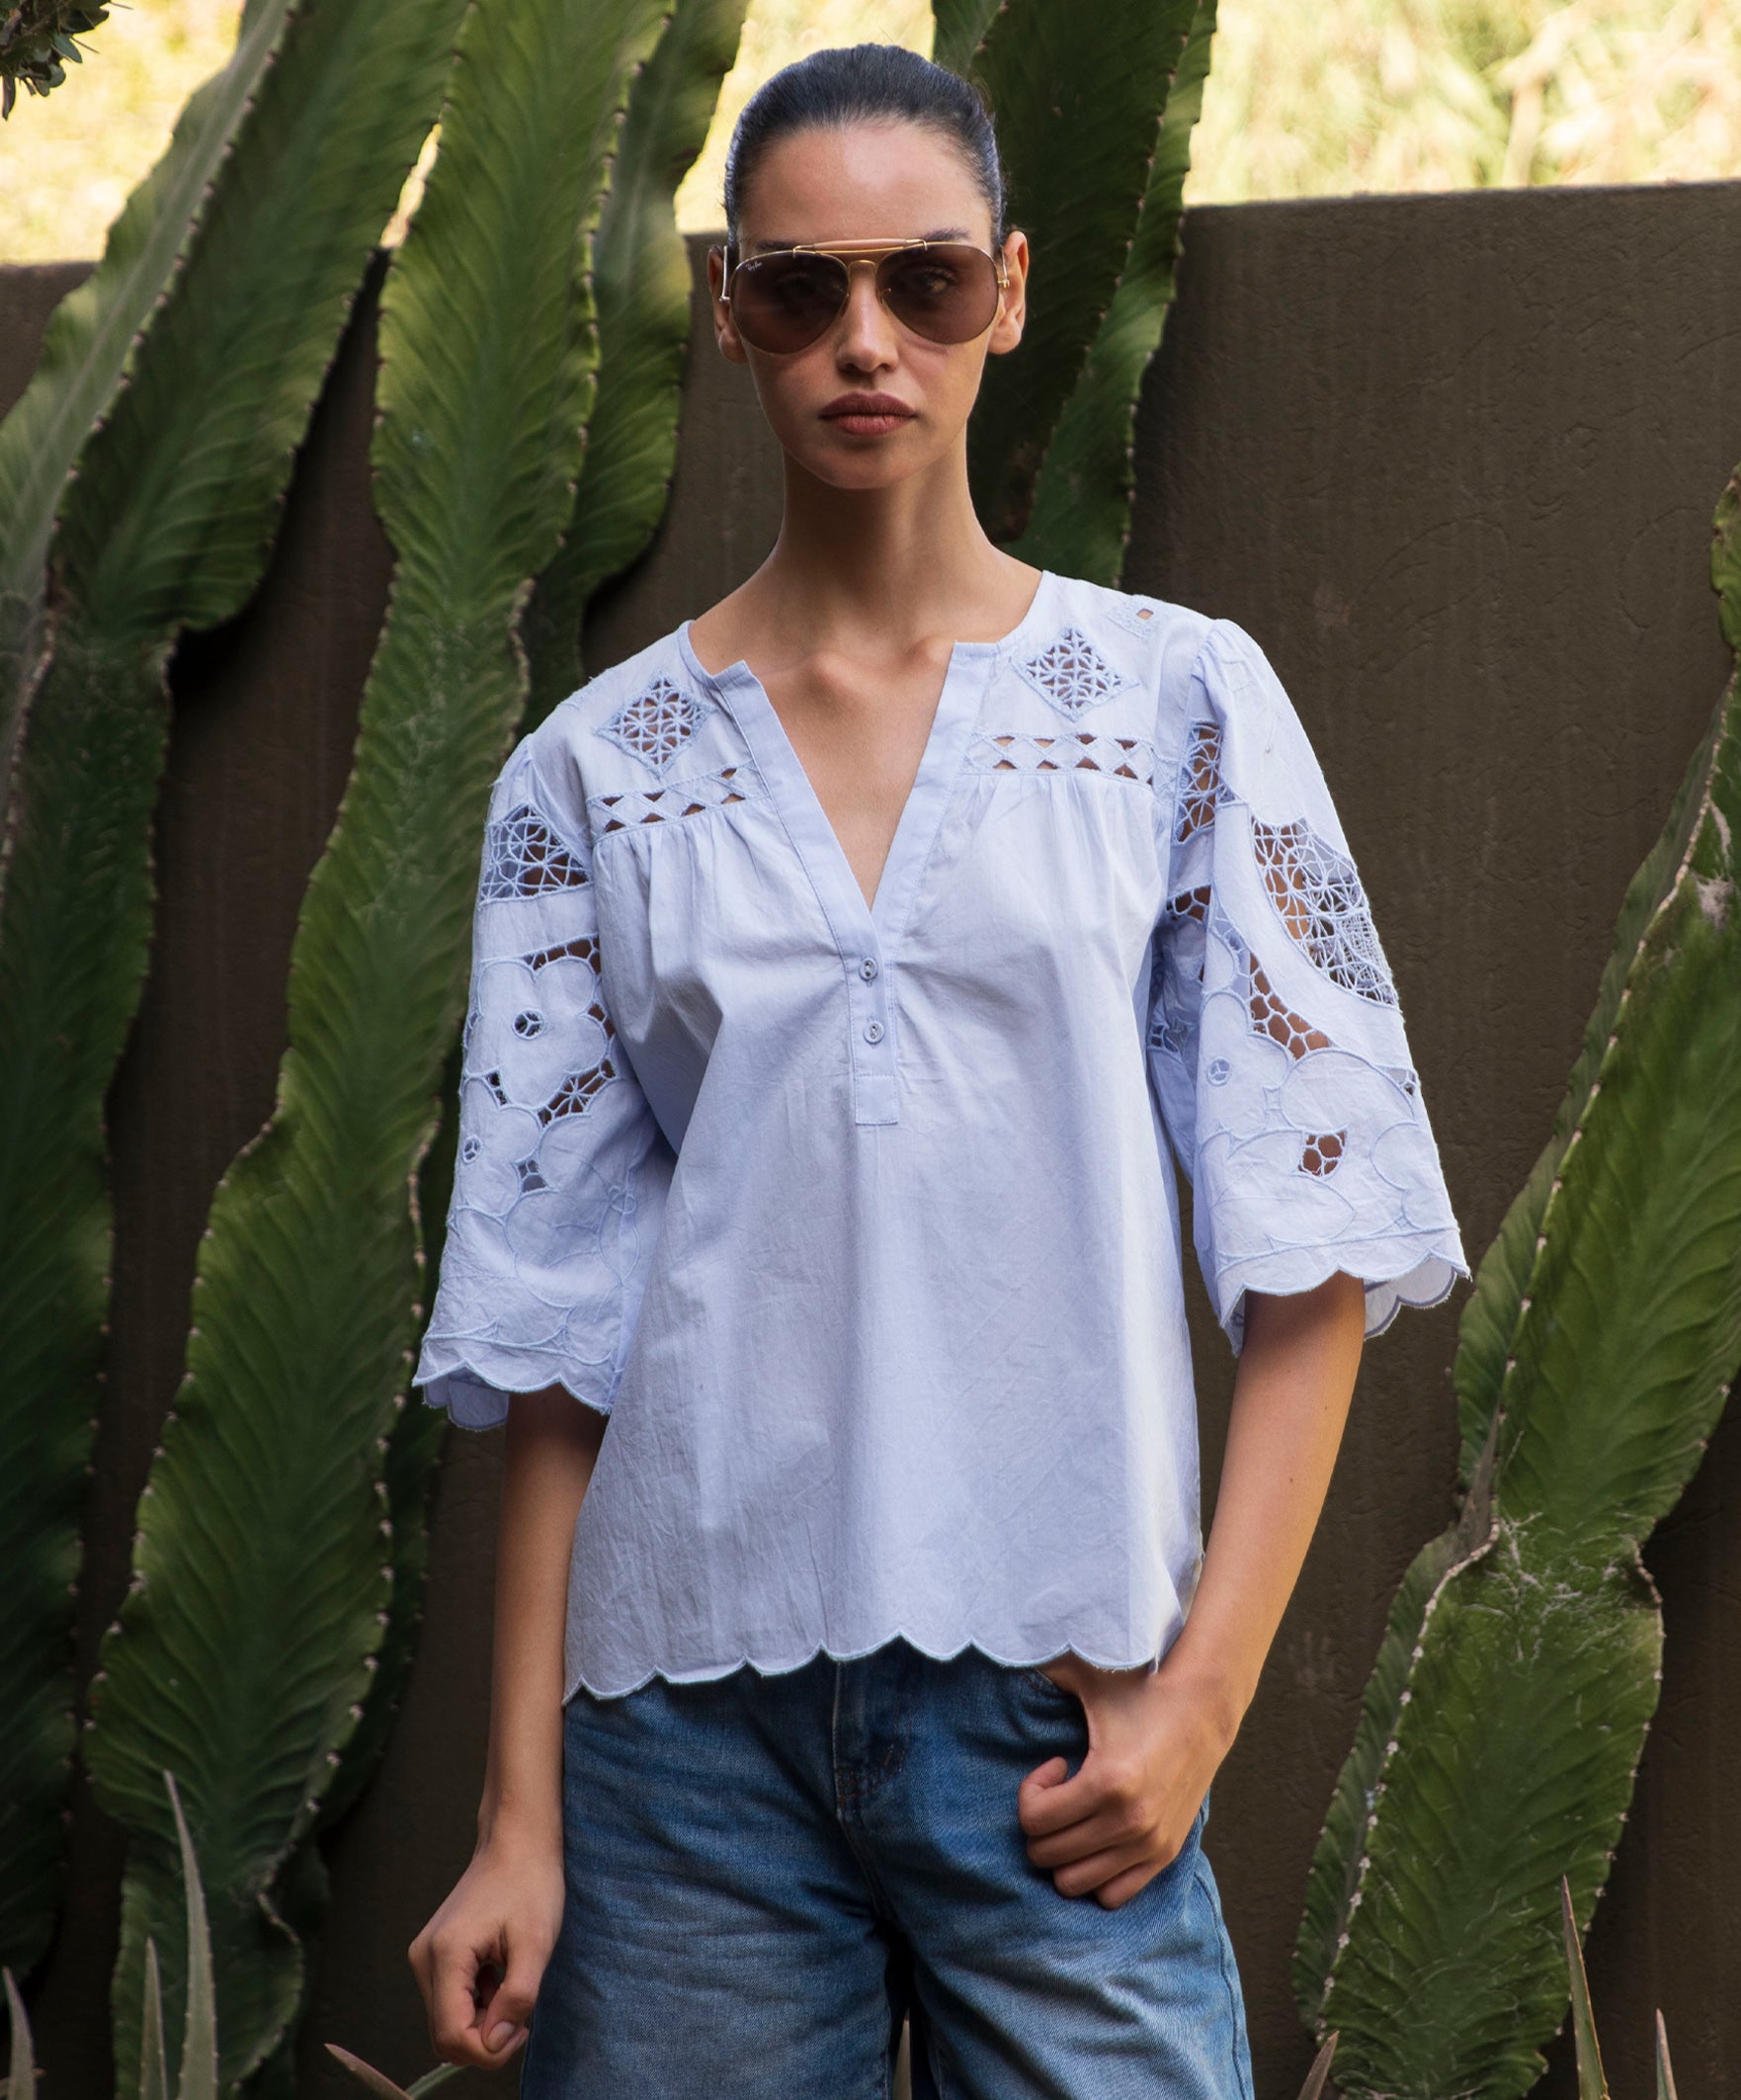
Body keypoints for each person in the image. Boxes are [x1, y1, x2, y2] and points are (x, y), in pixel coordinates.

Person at [404, 40, 1468, 2100]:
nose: (863, 341)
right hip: (678, 1748)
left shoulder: (1178, 706)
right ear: (728, 308)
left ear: (1007, 288)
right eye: (802, 289)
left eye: (924, 282)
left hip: (1060, 1717)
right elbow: (547, 1346)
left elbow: (1309, 1233)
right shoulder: (588, 780)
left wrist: (1202, 1704)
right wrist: (519, 1819)